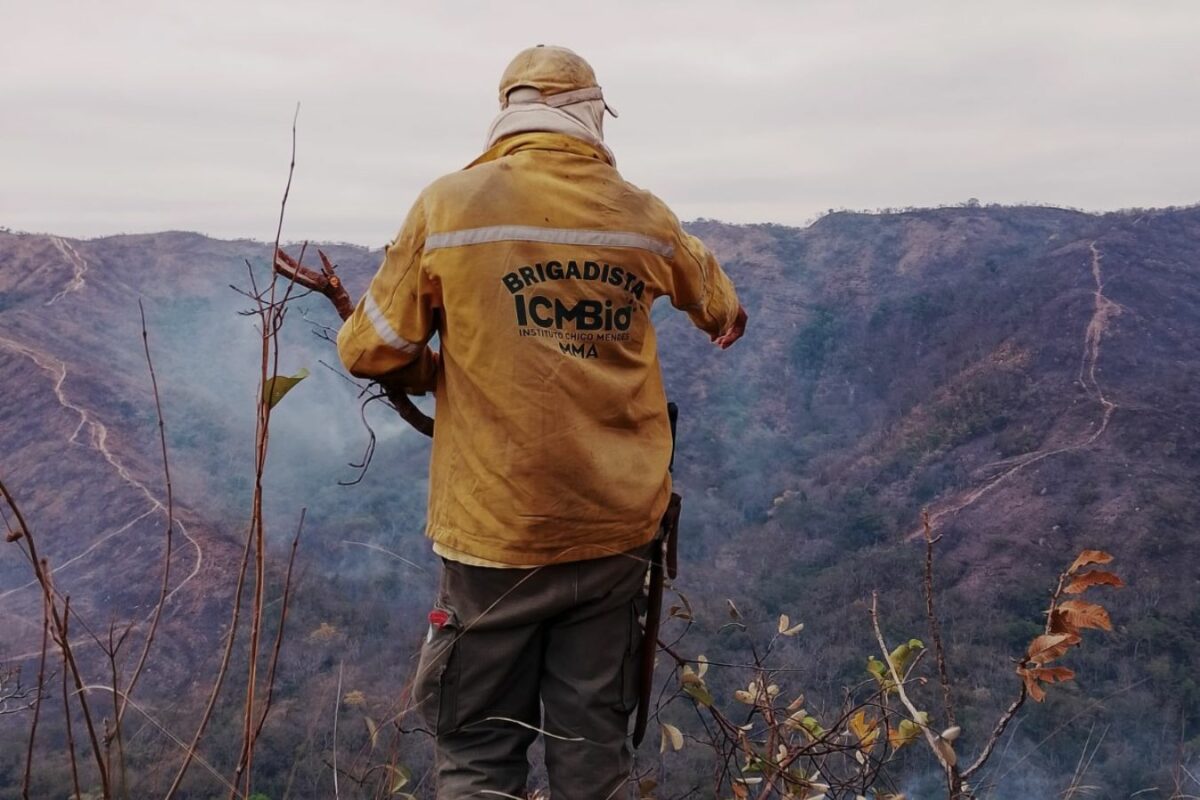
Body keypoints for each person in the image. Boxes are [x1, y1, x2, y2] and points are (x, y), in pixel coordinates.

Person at [336, 44, 746, 800]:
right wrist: (722, 312)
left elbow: (371, 349)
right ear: (592, 115)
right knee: (592, 753)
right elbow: (717, 301)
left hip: (497, 536)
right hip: (618, 530)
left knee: (479, 750)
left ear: (508, 113)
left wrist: (443, 369)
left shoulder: (450, 206)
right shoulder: (643, 216)